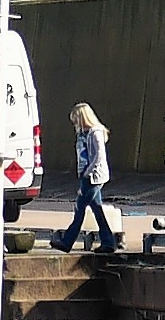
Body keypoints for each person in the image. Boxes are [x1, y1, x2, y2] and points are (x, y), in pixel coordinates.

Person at [49, 103, 117, 253]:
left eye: (76, 119)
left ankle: (67, 242)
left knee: (79, 208)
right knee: (97, 210)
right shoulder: (82, 133)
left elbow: (99, 156)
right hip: (85, 175)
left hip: (93, 177)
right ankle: (109, 242)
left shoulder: (95, 133)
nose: (75, 123)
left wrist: (88, 172)